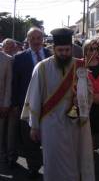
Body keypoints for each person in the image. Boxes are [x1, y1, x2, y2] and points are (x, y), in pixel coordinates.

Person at [21, 27, 95, 181]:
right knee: (52, 162)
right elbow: (34, 97)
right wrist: (34, 126)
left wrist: (82, 101)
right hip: (51, 124)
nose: (64, 53)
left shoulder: (80, 67)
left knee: (73, 160)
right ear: (54, 49)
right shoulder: (41, 68)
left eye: (67, 50)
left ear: (71, 49)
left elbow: (89, 92)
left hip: (73, 122)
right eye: (60, 50)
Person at [12, 27, 51, 178]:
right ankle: (33, 168)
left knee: (48, 136)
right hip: (27, 105)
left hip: (48, 104)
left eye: (38, 38)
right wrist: (16, 104)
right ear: (27, 40)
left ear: (42, 40)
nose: (35, 41)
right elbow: (15, 83)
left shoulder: (50, 56)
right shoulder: (19, 58)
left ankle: (49, 165)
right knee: (30, 139)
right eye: (32, 38)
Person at [0, 51, 14, 169]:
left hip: (1, 104)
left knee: (1, 133)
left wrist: (6, 103)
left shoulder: (7, 59)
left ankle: (3, 157)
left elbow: (9, 83)